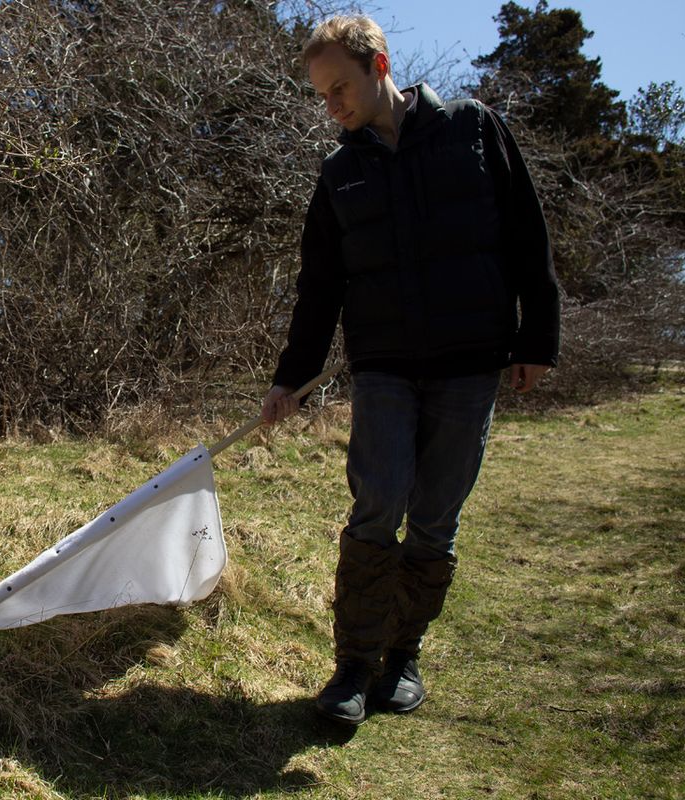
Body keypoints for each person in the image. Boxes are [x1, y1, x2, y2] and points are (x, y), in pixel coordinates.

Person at [261, 15, 560, 726]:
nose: (332, 105)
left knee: (433, 520)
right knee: (377, 504)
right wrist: (289, 378)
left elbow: (526, 233)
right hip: (386, 368)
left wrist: (535, 339)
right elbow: (319, 287)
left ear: (380, 65)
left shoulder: (473, 129)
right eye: (322, 95)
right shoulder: (340, 173)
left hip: (470, 362)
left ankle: (403, 659)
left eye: (339, 88)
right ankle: (352, 671)